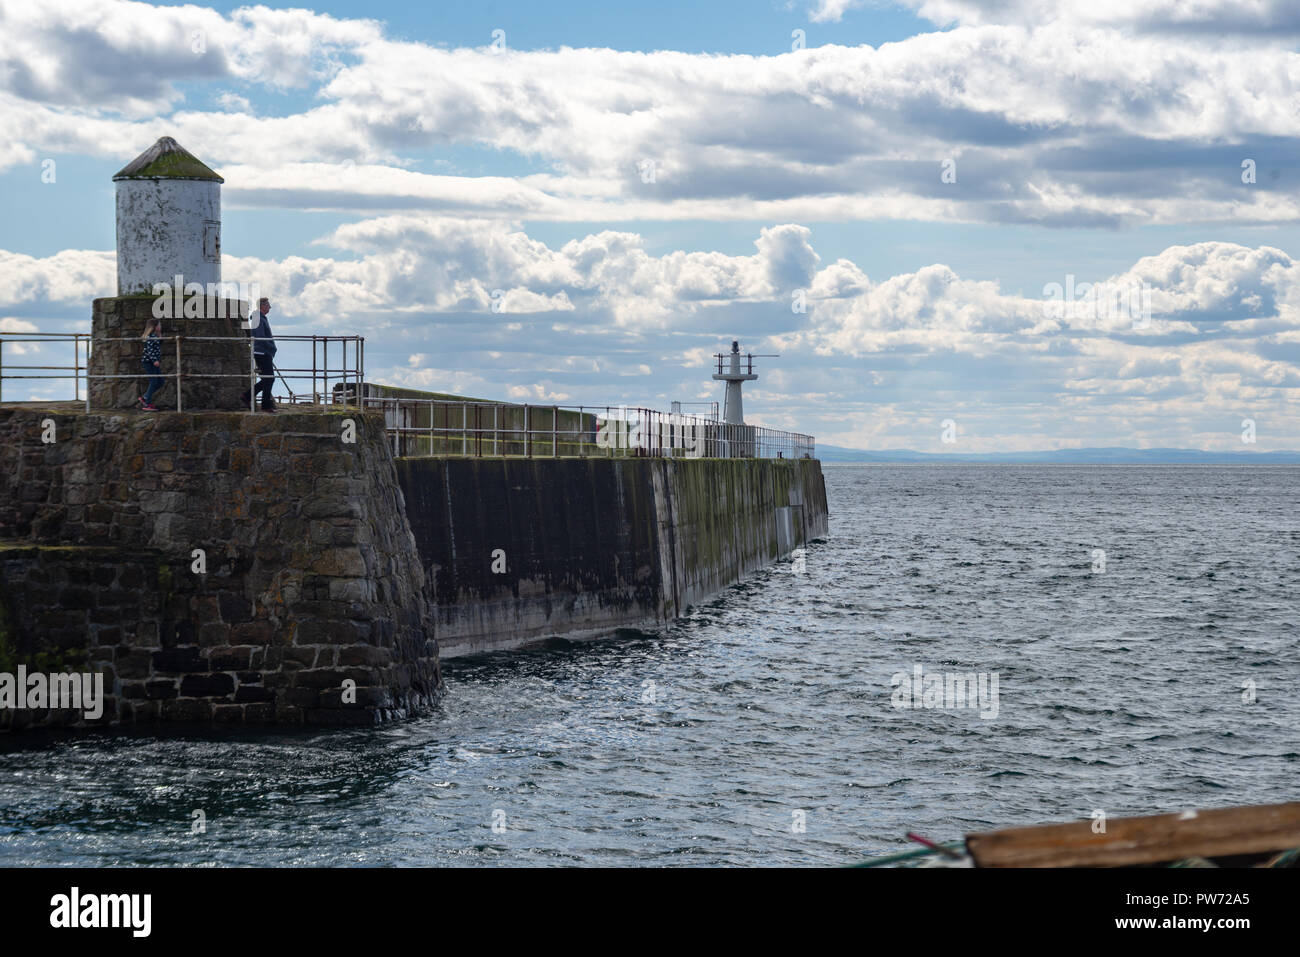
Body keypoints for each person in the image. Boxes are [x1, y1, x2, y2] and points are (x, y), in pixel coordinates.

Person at [242, 297, 277, 413]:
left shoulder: (260, 318)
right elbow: (260, 337)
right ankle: (265, 405)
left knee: (268, 379)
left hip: (262, 352)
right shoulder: (259, 318)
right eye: (268, 305)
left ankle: (248, 396)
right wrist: (271, 347)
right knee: (269, 379)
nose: (270, 307)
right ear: (262, 306)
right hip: (262, 352)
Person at [138, 318, 164, 411]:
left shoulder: (155, 336)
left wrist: (160, 339)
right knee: (154, 381)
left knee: (161, 381)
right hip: (149, 362)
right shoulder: (149, 336)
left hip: (154, 362)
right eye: (159, 325)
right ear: (155, 327)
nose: (161, 327)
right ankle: (147, 403)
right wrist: (154, 360)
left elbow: (156, 346)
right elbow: (150, 350)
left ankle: (145, 397)